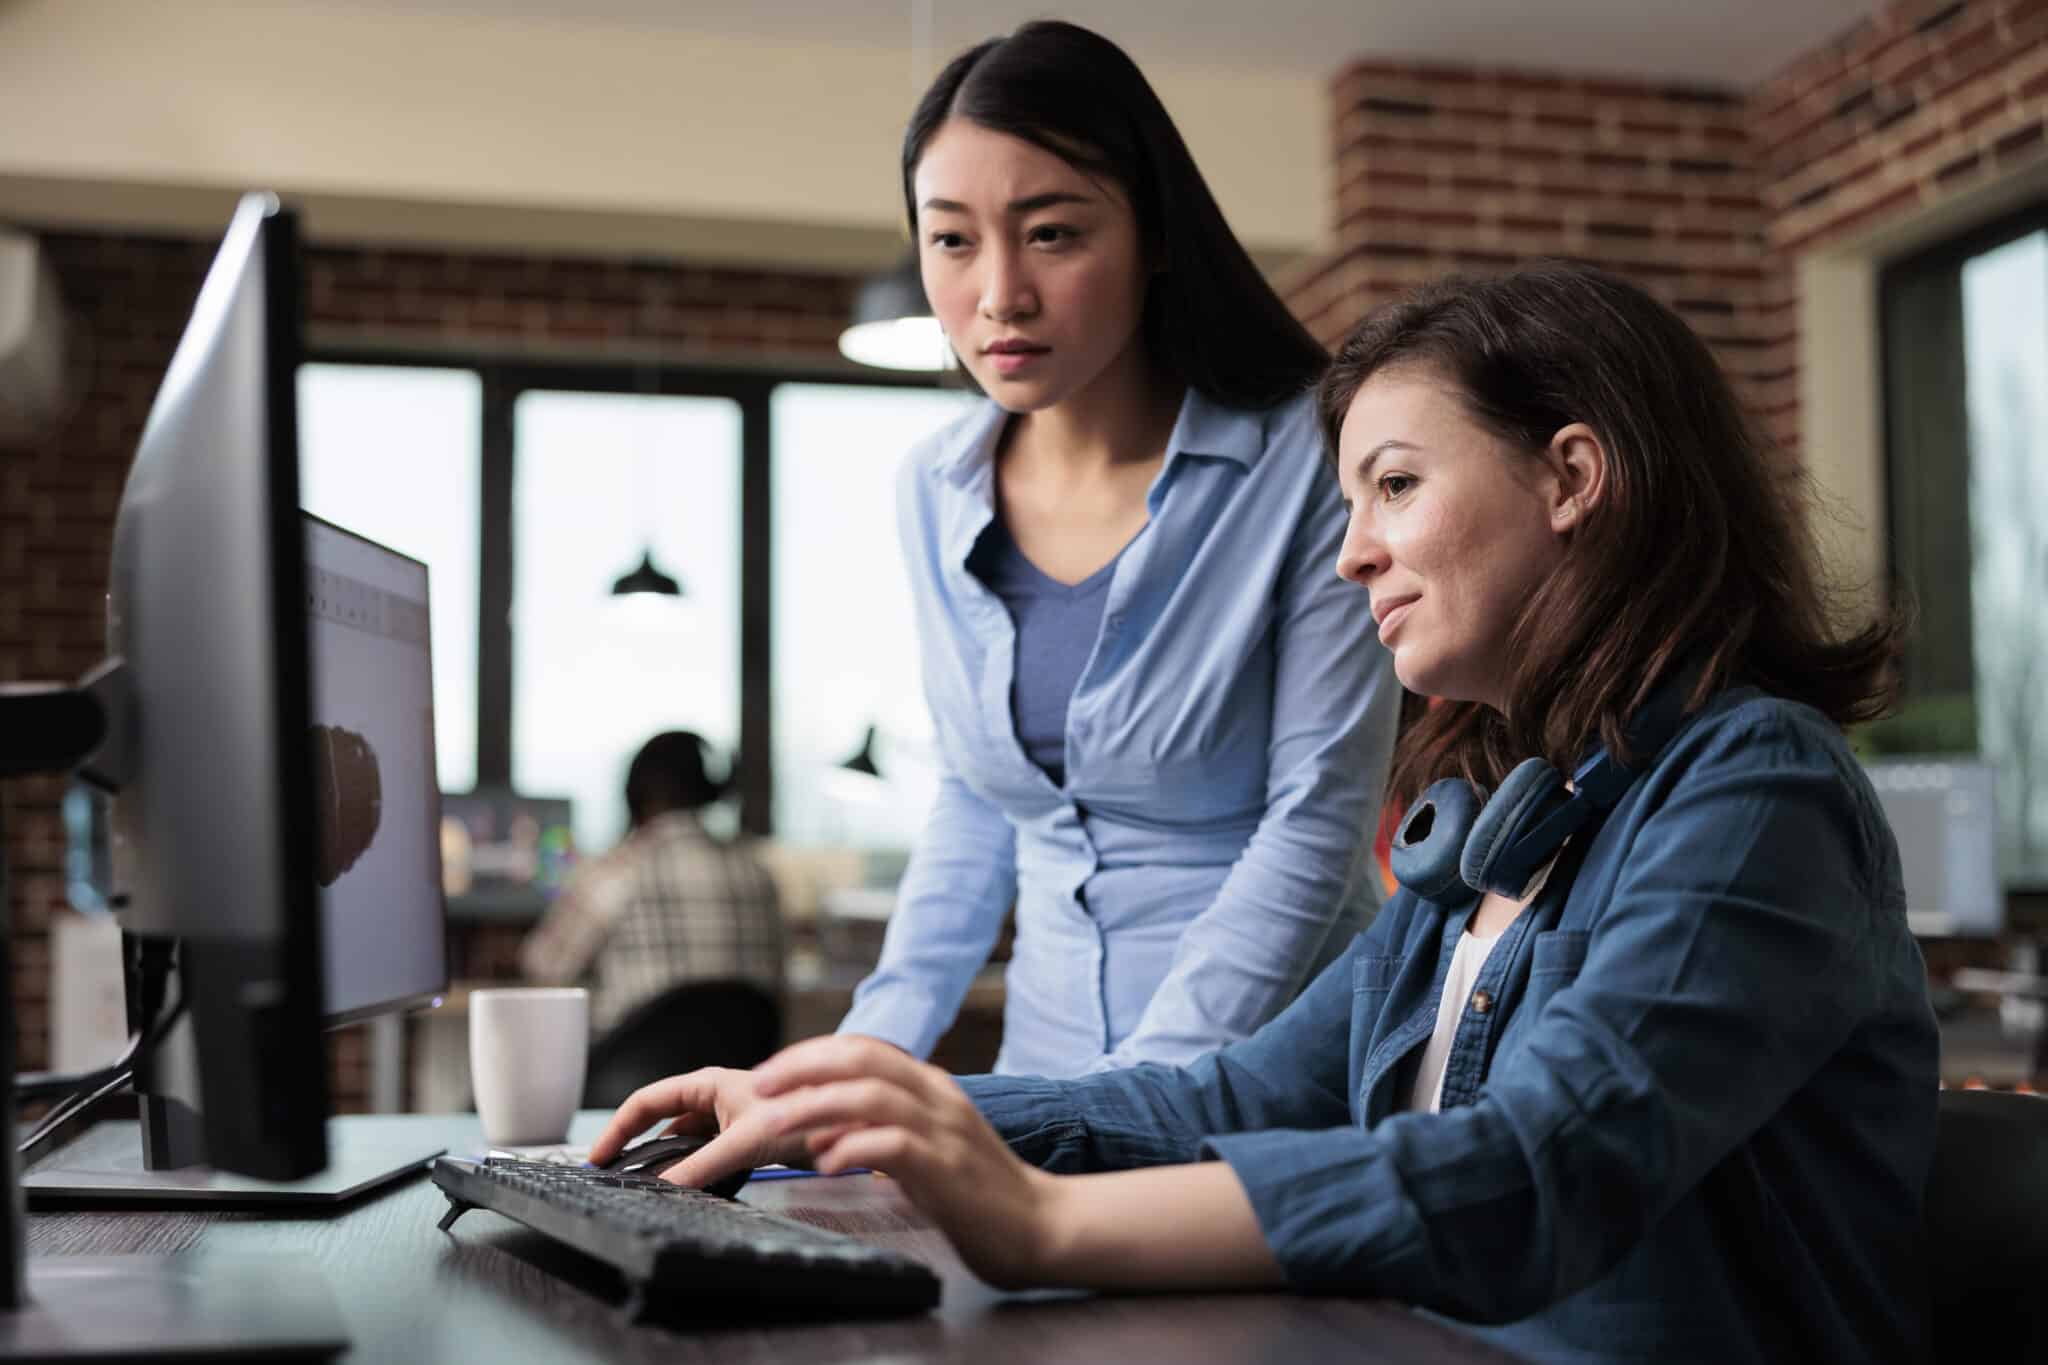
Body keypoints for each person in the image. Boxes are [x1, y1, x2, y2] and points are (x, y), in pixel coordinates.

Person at [592, 264, 1940, 1364]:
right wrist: (861, 1107)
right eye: (1351, 499)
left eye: (1396, 485)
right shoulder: (1500, 831)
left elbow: (1535, 1172)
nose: (1352, 548)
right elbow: (1223, 1099)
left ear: (1575, 476)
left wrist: (1045, 1228)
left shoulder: (1758, 789)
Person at [837, 20, 1400, 1077]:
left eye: (1050, 233)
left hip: (1277, 1072)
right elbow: (974, 801)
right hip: (1041, 1073)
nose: (997, 292)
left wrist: (1129, 1102)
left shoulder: (1308, 461)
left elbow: (1316, 823)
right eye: (951, 239)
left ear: (1153, 237)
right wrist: (863, 1061)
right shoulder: (934, 487)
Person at [520, 731, 782, 1038]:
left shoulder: (617, 871)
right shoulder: (758, 874)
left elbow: (544, 968)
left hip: (633, 1081)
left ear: (634, 795)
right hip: (738, 1081)